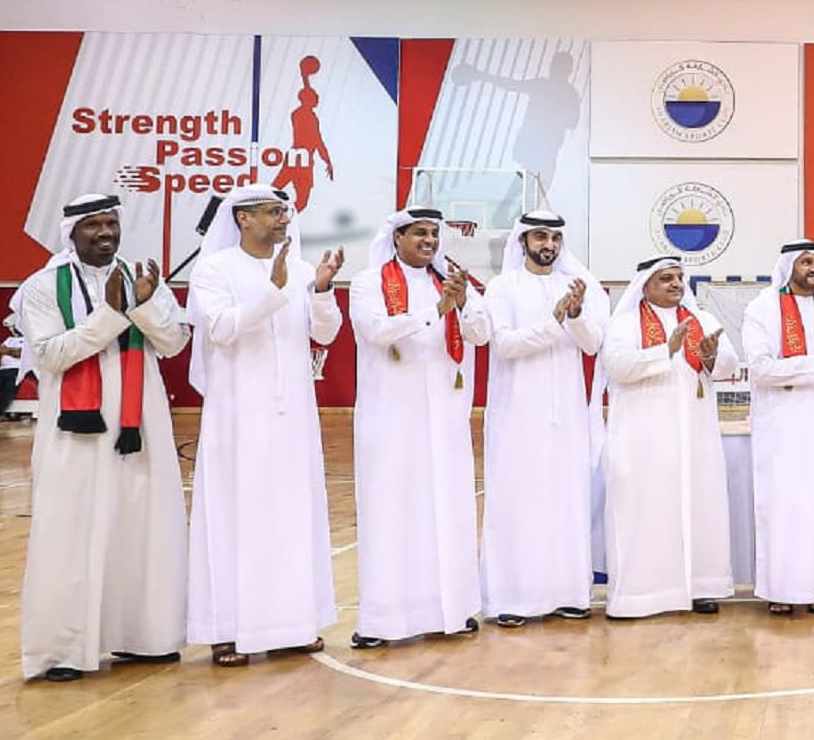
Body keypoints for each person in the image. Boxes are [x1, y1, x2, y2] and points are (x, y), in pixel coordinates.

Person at [17, 194, 190, 682]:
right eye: (92, 226)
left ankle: (145, 637)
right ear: (70, 234)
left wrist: (144, 304)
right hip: (75, 430)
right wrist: (112, 315)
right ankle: (65, 651)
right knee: (71, 532)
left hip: (141, 425)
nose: (104, 233)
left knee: (144, 526)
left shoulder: (142, 277)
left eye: (111, 223)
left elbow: (174, 342)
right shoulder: (44, 286)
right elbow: (51, 355)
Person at [186, 185, 345, 667]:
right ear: (243, 219)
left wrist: (319, 290)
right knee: (237, 516)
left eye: (284, 212)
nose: (282, 219)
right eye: (273, 212)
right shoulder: (212, 270)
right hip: (238, 415)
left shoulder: (299, 270)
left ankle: (292, 623)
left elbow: (326, 333)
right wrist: (272, 292)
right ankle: (227, 629)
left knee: (292, 515)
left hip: (293, 414)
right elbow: (221, 329)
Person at [346, 207, 491, 649]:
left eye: (434, 234)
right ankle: (383, 620)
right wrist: (437, 308)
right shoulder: (367, 283)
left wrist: (462, 303)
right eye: (419, 233)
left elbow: (481, 335)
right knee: (391, 511)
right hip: (391, 418)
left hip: (445, 417)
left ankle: (452, 610)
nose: (428, 240)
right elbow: (376, 331)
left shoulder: (451, 282)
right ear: (397, 237)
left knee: (448, 510)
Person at [481, 211, 605, 627]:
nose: (547, 244)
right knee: (520, 501)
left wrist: (575, 313)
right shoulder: (502, 287)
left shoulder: (569, 287)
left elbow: (591, 346)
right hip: (518, 415)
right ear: (522, 241)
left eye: (553, 237)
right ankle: (513, 598)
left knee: (566, 498)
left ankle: (569, 593)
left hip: (566, 415)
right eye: (539, 236)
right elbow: (504, 344)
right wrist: (554, 322)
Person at [600, 256, 739, 619]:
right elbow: (617, 366)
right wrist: (666, 350)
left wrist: (711, 357)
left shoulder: (702, 320)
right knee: (647, 508)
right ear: (645, 285)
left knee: (698, 503)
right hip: (644, 437)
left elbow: (729, 366)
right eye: (666, 279)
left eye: (679, 278)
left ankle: (700, 586)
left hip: (695, 435)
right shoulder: (625, 323)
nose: (677, 284)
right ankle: (642, 594)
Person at [742, 239, 814, 615]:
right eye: (806, 262)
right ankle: (782, 588)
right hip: (782, 425)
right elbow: (760, 368)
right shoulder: (763, 308)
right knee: (785, 505)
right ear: (789, 265)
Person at [0, 315, 27, 422]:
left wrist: (8, 351)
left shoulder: (28, 340)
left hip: (17, 369)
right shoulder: (9, 339)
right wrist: (13, 351)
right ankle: (1, 413)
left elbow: (21, 354)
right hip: (2, 370)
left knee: (10, 389)